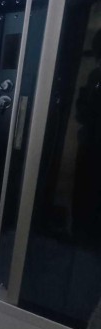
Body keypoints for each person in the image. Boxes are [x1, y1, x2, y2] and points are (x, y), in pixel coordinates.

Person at [72, 29, 101, 240]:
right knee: (85, 189)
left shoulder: (96, 76)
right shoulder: (95, 76)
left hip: (93, 144)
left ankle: (83, 234)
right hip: (91, 141)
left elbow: (86, 113)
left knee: (87, 189)